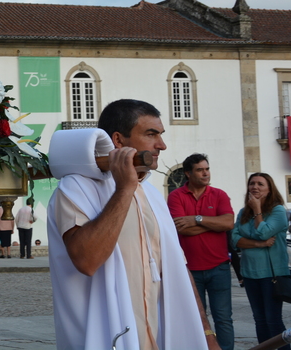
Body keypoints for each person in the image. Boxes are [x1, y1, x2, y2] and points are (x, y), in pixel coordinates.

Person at [47, 99, 217, 350]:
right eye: (151, 134)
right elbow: (87, 260)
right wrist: (125, 188)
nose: (161, 145)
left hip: (159, 338)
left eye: (160, 134)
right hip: (105, 337)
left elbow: (178, 268)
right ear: (118, 140)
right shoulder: (75, 188)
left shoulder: (152, 194)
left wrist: (206, 333)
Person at [168, 153, 235, 350]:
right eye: (200, 170)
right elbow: (180, 227)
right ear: (188, 173)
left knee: (223, 318)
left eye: (207, 169)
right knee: (195, 319)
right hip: (189, 269)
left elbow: (228, 222)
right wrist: (214, 223)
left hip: (219, 267)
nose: (205, 173)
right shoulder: (176, 196)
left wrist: (197, 219)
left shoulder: (219, 194)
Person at [231, 172, 291, 350]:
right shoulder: (243, 212)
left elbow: (264, 231)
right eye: (252, 183)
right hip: (249, 273)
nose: (254, 187)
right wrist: (259, 244)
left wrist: (257, 211)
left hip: (271, 274)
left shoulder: (278, 210)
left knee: (273, 320)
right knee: (259, 320)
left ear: (270, 189)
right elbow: (234, 240)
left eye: (260, 184)